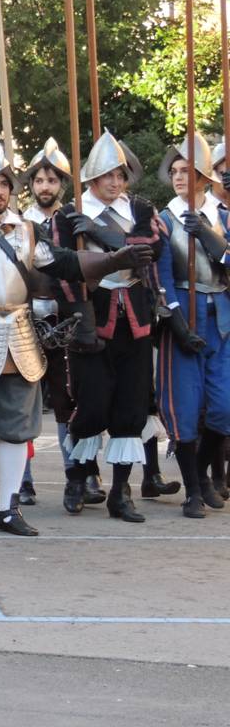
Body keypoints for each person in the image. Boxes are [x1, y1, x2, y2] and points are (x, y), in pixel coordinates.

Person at [0, 149, 153, 536]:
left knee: (18, 427)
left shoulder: (27, 231)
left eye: (4, 183)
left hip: (19, 333)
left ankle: (7, 508)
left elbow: (66, 262)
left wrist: (115, 259)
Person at [53, 131, 162, 523]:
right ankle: (78, 478)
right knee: (93, 404)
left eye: (120, 175)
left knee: (130, 408)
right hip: (92, 315)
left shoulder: (142, 210)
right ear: (92, 178)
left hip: (134, 315)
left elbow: (149, 250)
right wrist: (79, 316)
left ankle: (121, 492)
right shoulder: (68, 215)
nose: (115, 182)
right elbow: (61, 267)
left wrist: (101, 234)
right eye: (107, 175)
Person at [156, 134, 230, 518]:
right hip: (184, 314)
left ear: (204, 177)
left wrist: (210, 236)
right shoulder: (164, 219)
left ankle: (201, 472)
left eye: (188, 171)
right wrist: (177, 320)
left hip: (221, 316)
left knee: (224, 407)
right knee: (183, 408)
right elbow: (162, 276)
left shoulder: (223, 217)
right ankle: (192, 490)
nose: (180, 177)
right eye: (175, 171)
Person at [18, 138, 81, 498]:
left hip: (64, 316)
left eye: (53, 181)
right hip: (25, 317)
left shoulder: (73, 220)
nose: (46, 187)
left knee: (66, 399)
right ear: (32, 184)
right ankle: (22, 478)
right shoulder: (18, 222)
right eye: (40, 180)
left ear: (62, 184)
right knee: (25, 399)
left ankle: (75, 473)